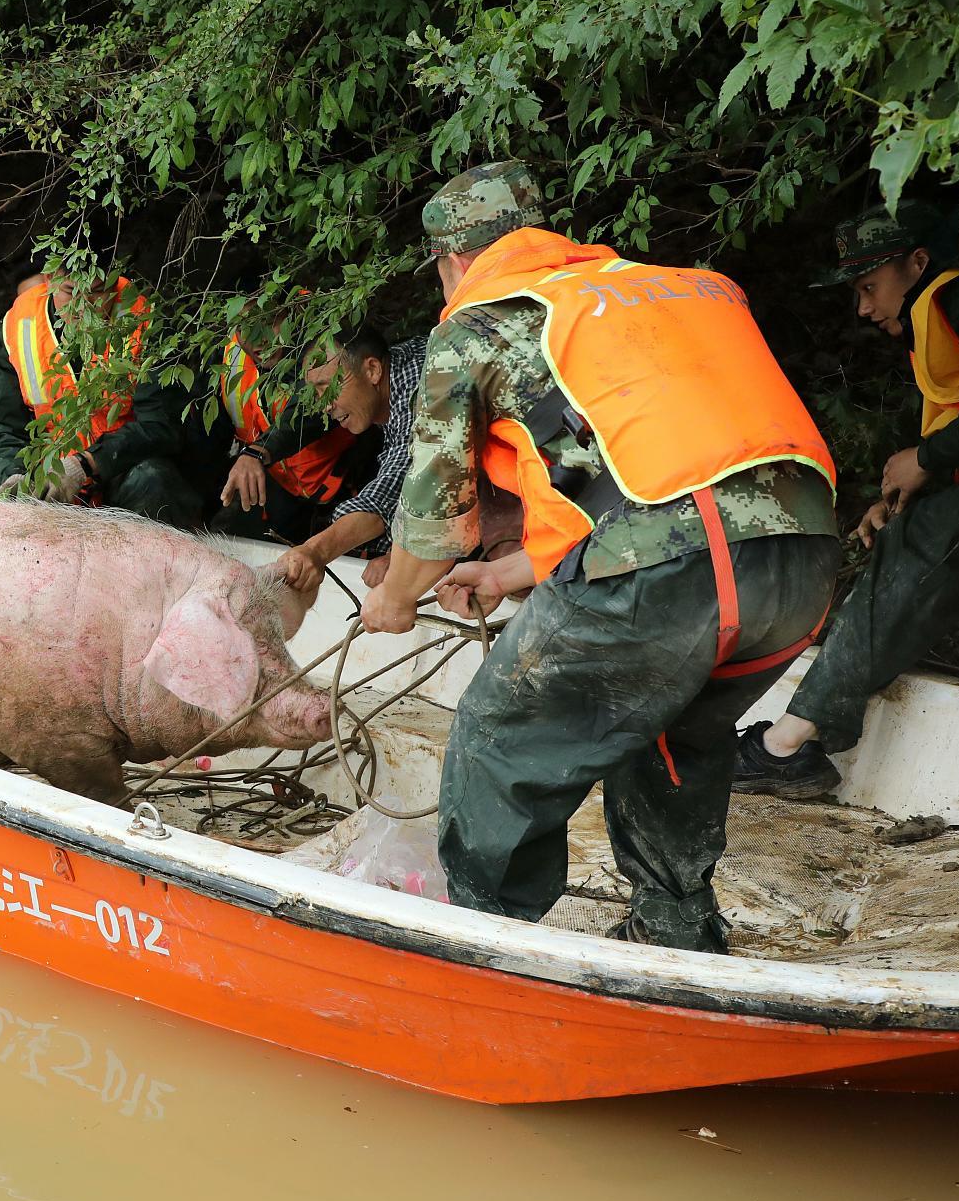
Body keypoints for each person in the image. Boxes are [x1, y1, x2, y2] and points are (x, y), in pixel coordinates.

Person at [359, 159, 840, 953]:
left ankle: (477, 947)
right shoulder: (666, 288)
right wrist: (514, 572)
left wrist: (398, 596)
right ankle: (679, 932)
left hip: (667, 567)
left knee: (495, 731)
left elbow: (436, 518)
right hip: (798, 559)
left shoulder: (478, 322)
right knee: (671, 729)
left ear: (453, 263)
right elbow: (650, 476)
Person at [733, 203, 959, 796]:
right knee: (915, 533)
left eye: (869, 286)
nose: (863, 308)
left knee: (919, 539)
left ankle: (786, 745)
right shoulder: (938, 319)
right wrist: (920, 483)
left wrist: (926, 460)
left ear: (917, 262)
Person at [0, 272, 202, 524]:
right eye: (70, 292)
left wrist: (87, 463)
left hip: (123, 467)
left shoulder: (145, 318)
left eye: (96, 292)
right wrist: (14, 473)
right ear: (50, 278)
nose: (84, 307)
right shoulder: (19, 322)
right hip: (50, 473)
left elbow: (161, 424)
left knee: (153, 480)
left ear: (114, 281)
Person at [271, 334, 429, 601]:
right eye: (317, 392)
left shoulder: (420, 388)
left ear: (373, 370)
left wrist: (316, 551)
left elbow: (393, 488)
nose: (324, 405)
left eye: (328, 387)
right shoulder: (398, 372)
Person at [211, 328, 385, 546]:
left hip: (350, 476)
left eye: (268, 321)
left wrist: (258, 451)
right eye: (246, 328)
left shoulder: (318, 336)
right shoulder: (227, 356)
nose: (259, 338)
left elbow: (306, 411)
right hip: (280, 487)